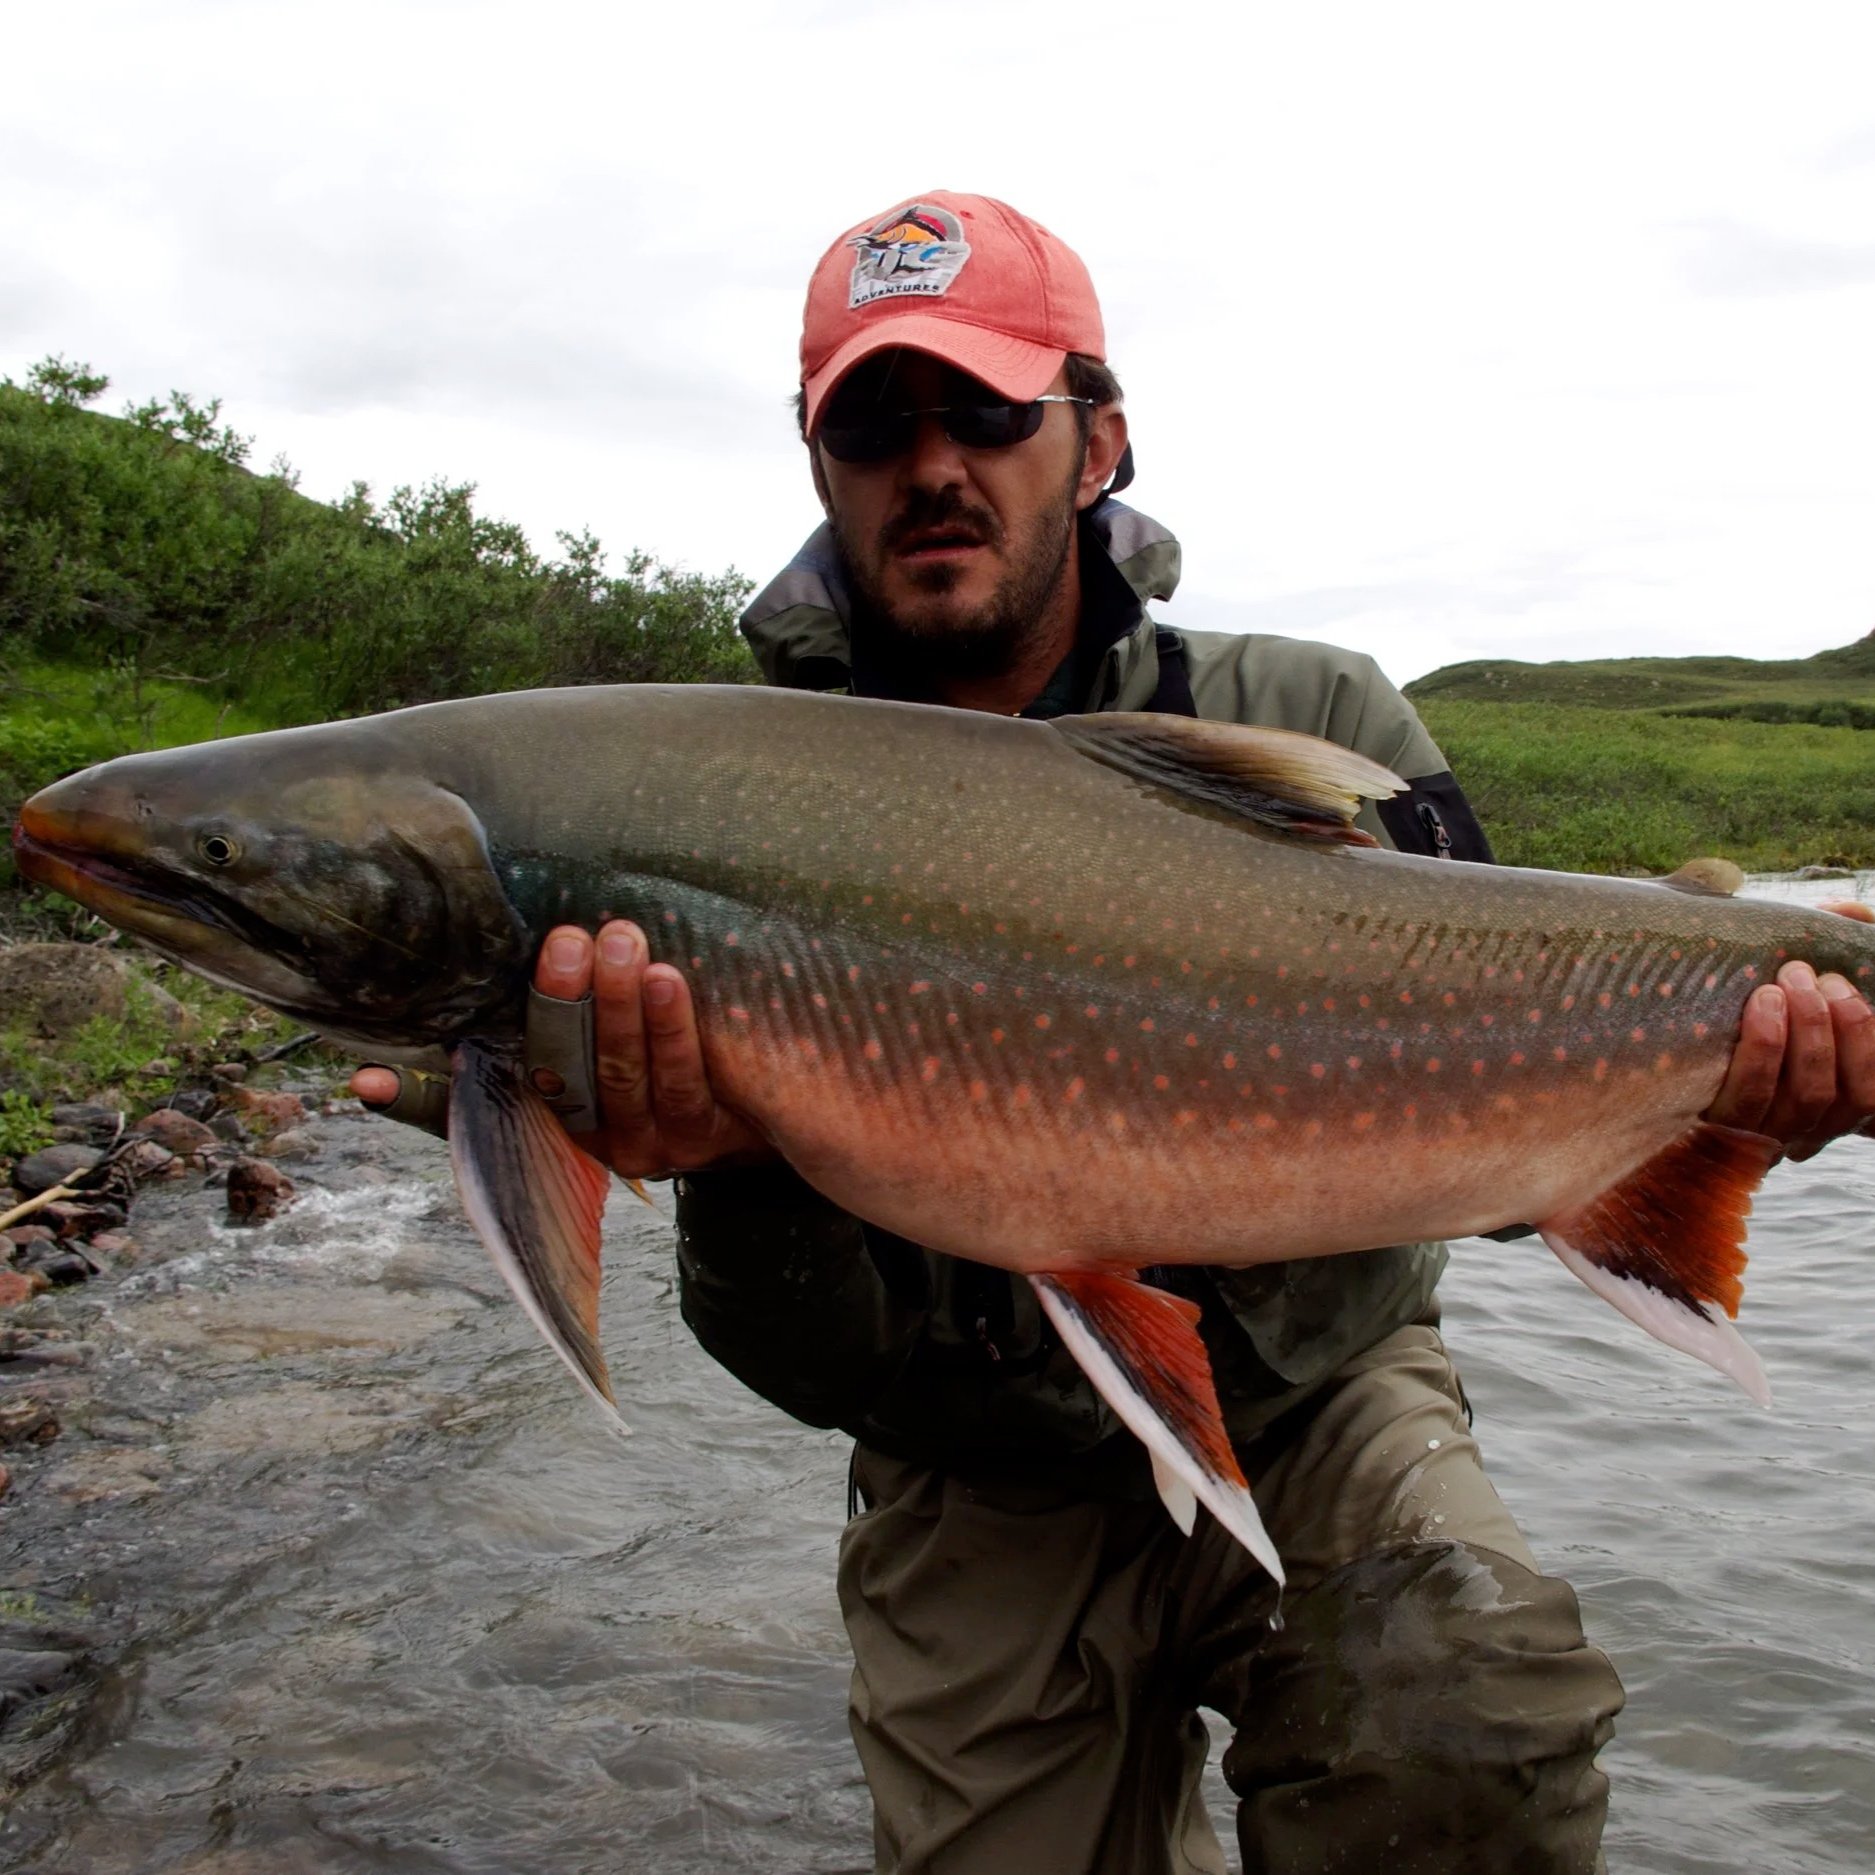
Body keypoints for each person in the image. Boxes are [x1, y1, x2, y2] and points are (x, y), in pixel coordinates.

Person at [354, 192, 1875, 1874]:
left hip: (1321, 1398)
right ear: (818, 463)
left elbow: (1500, 1142)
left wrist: (1739, 1095)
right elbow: (813, 1371)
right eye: (872, 425)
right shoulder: (729, 792)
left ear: (1099, 441)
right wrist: (738, 1170)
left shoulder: (1319, 716)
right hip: (971, 1462)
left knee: (1466, 1715)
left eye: (986, 411)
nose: (933, 465)